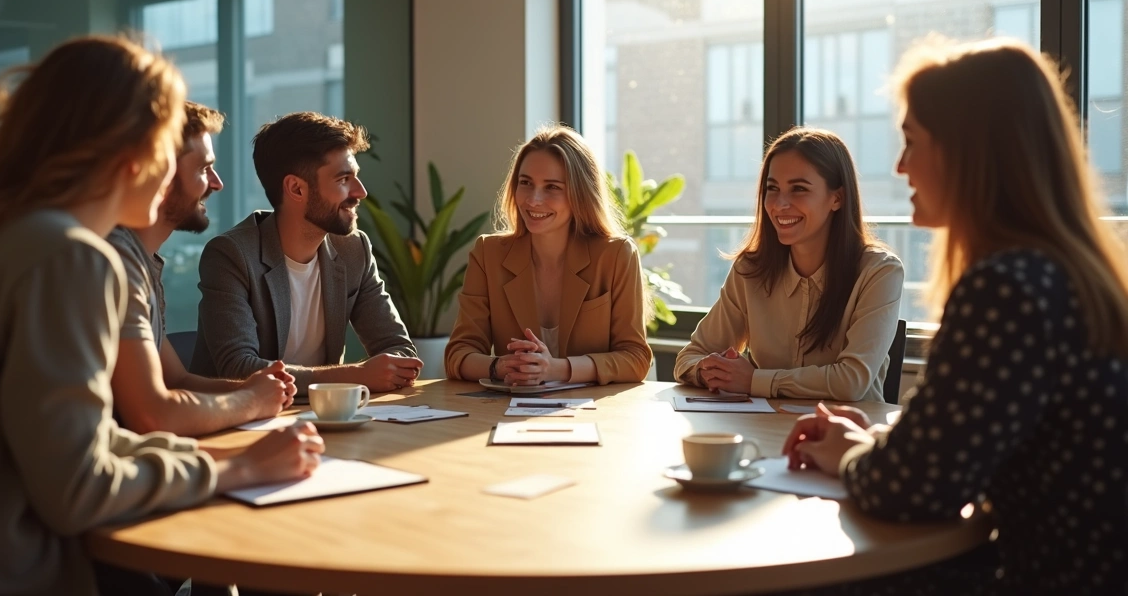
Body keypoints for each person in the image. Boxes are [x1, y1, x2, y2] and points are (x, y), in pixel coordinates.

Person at [0, 36, 324, 596]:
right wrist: (239, 469)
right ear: (132, 154)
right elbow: (78, 489)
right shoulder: (70, 256)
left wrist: (219, 455)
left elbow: (75, 443)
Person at [785, 38, 1128, 594]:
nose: (900, 166)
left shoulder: (1006, 291)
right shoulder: (1070, 274)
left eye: (912, 142)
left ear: (967, 152)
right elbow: (961, 446)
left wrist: (849, 456)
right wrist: (870, 441)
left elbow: (913, 489)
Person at [191, 112, 421, 393]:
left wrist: (378, 371)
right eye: (343, 179)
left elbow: (400, 350)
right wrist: (356, 376)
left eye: (356, 177)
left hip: (328, 419)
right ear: (296, 189)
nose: (360, 192)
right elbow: (240, 369)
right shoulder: (232, 255)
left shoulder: (353, 250)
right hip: (241, 425)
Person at [108, 101, 296, 436]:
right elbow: (154, 415)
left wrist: (252, 389)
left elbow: (176, 381)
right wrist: (251, 401)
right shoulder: (114, 260)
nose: (217, 183)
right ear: (158, 171)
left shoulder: (141, 261)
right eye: (203, 169)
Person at [674, 127, 904, 402]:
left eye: (799, 189)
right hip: (763, 433)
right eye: (773, 189)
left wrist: (753, 381)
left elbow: (851, 381)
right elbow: (689, 357)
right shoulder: (750, 270)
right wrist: (709, 371)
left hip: (845, 438)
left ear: (837, 198)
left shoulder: (879, 272)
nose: (780, 204)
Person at [444, 124, 652, 386]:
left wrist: (556, 369)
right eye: (525, 183)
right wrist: (501, 366)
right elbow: (457, 354)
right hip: (509, 412)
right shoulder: (488, 254)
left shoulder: (616, 254)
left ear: (581, 193)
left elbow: (635, 359)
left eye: (552, 187)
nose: (533, 200)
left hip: (594, 413)